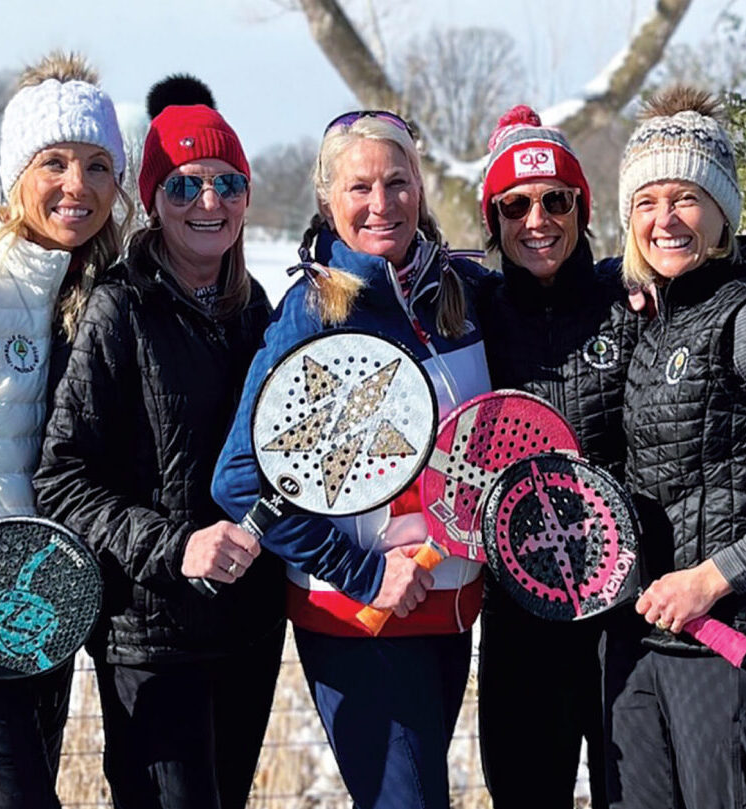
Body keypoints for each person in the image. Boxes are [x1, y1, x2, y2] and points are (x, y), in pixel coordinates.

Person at [212, 110, 492, 809]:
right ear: (327, 199)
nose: (380, 203)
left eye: (397, 182)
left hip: (449, 613)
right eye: (359, 186)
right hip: (360, 623)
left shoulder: (456, 291)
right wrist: (364, 574)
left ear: (421, 188)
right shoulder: (313, 313)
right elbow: (240, 478)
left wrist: (631, 284)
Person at [33, 88, 286, 809]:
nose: (208, 201)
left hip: (248, 626)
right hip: (151, 634)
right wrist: (177, 548)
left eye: (226, 182)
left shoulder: (255, 309)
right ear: (152, 199)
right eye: (184, 183)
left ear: (244, 197)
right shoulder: (120, 307)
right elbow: (63, 478)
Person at [0, 52, 127, 809]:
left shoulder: (91, 297)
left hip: (35, 629)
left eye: (97, 164)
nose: (76, 185)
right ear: (15, 174)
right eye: (53, 161)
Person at [475, 105, 643, 809]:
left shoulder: (628, 295)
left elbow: (709, 264)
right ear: (493, 219)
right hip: (518, 612)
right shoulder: (472, 307)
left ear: (581, 206)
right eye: (514, 204)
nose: (535, 219)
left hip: (622, 611)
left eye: (554, 200)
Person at [604, 85, 746, 809]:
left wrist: (713, 576)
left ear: (722, 210)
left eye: (685, 197)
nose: (664, 220)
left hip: (723, 644)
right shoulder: (650, 318)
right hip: (642, 641)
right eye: (646, 201)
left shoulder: (739, 315)